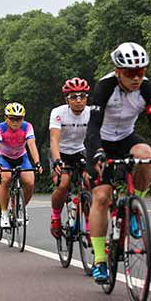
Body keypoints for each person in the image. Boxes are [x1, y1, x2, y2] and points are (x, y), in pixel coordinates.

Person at [85, 42, 151, 284]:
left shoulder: (147, 88)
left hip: (126, 137)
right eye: (130, 73)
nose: (136, 78)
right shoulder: (105, 87)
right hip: (100, 140)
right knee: (102, 197)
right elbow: (92, 126)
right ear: (117, 72)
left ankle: (135, 208)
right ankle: (100, 260)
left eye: (141, 72)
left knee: (146, 154)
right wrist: (98, 152)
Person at [49, 78, 91, 238]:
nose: (79, 100)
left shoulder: (91, 113)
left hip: (81, 151)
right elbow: (54, 139)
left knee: (89, 182)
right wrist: (57, 160)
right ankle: (55, 217)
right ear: (67, 99)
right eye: (74, 97)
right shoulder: (58, 113)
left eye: (82, 96)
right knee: (64, 183)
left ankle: (88, 223)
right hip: (61, 152)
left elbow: (96, 138)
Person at [0, 102, 43, 228]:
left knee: (30, 182)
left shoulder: (27, 127)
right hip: (5, 158)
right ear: (6, 118)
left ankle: (20, 207)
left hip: (21, 157)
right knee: (6, 179)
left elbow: (31, 144)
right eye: (12, 118)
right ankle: (4, 213)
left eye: (19, 119)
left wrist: (37, 163)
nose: (15, 122)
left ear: (23, 118)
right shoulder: (0, 128)